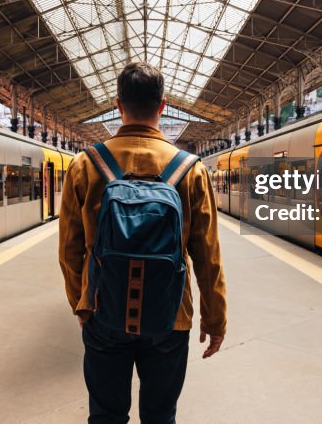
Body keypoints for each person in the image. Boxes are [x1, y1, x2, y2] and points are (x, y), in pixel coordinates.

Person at [59, 62, 227, 424]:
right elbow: (208, 256)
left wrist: (82, 304)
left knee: (106, 415)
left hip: (103, 309)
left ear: (118, 105)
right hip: (171, 315)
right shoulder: (192, 169)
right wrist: (215, 318)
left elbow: (69, 251)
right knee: (160, 416)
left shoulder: (85, 165)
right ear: (162, 105)